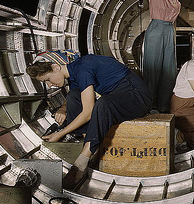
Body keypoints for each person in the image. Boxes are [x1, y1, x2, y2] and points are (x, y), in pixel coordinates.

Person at [26, 50, 152, 190]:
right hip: (116, 97)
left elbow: (88, 113)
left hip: (137, 97)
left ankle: (82, 162)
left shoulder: (84, 68)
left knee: (103, 103)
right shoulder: (74, 73)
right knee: (73, 96)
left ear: (56, 67)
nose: (49, 85)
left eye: (47, 80)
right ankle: (90, 144)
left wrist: (60, 133)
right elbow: (77, 97)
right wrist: (63, 109)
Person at [143, 0, 186, 113]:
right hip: (155, 29)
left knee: (169, 70)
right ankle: (147, 106)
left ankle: (163, 107)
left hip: (169, 30)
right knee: (152, 69)